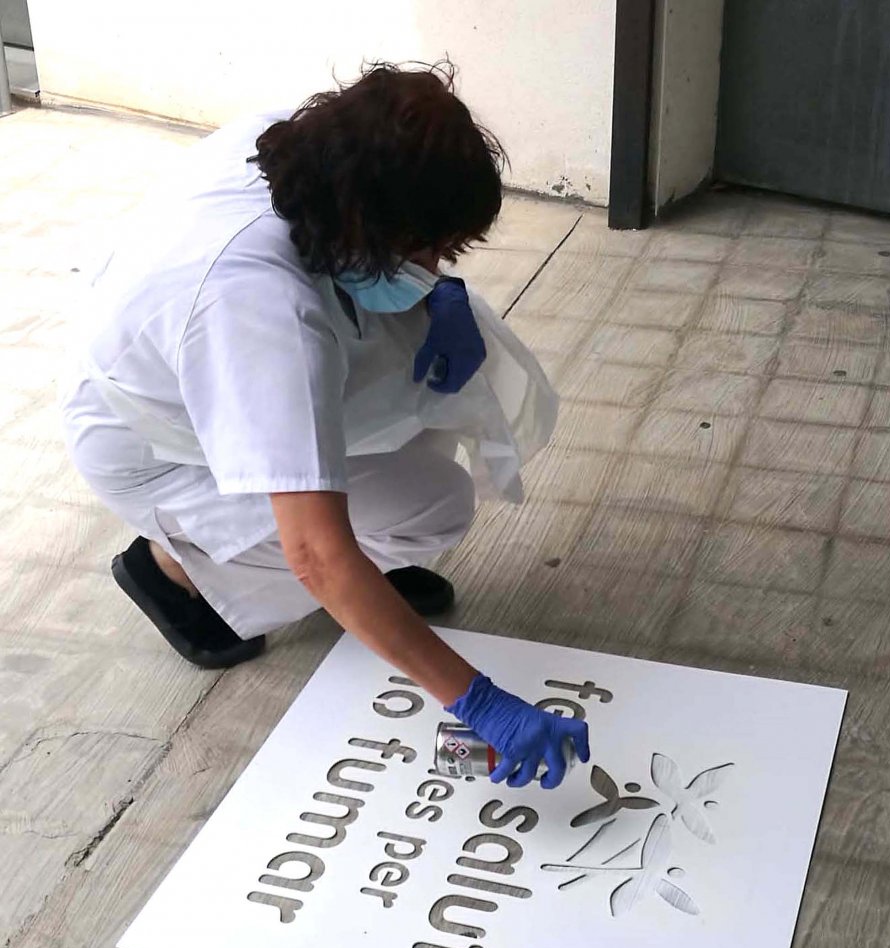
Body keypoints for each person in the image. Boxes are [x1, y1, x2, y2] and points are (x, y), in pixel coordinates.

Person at [61, 61, 589, 789]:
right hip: (157, 447)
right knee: (429, 510)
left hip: (184, 363)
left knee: (427, 382)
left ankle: (347, 592)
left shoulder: (308, 150)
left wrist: (440, 294)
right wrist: (477, 700)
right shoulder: (257, 312)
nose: (436, 265)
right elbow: (316, 552)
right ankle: (173, 571)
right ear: (369, 225)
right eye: (430, 249)